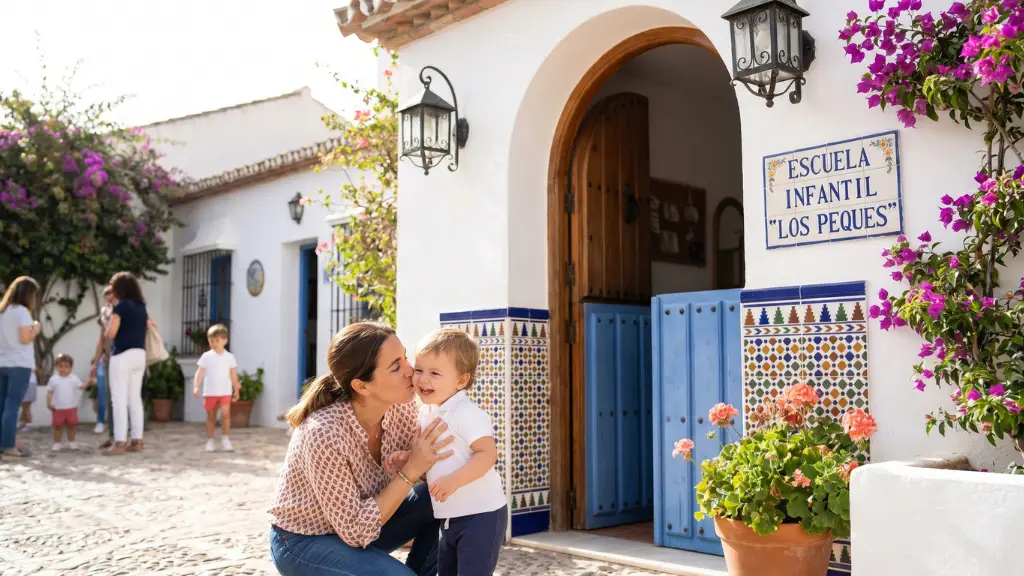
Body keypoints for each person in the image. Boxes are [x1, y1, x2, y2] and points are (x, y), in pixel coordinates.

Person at [268, 322, 455, 576]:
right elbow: (355, 530)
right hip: (303, 541)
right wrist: (410, 470)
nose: (411, 371)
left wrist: (422, 464)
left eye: (405, 358)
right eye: (395, 367)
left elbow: (425, 470)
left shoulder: (401, 408)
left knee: (445, 497)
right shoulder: (323, 432)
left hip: (365, 527)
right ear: (361, 386)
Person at [394, 328, 507, 576]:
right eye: (420, 369)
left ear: (461, 381)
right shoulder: (427, 413)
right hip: (449, 517)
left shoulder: (466, 413)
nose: (423, 379)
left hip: (482, 514)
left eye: (435, 373)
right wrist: (406, 459)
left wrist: (454, 480)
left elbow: (487, 455)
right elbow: (434, 457)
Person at [103, 272, 153, 456]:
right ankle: (137, 440)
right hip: (139, 354)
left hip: (122, 355)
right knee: (134, 399)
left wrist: (107, 319)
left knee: (118, 399)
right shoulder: (142, 307)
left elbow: (111, 334)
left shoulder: (121, 307)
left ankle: (119, 442)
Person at [0, 276, 41, 458]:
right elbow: (25, 338)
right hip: (19, 364)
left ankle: (4, 444)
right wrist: (36, 329)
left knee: (2, 405)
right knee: (12, 405)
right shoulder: (22, 312)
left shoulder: (2, 311)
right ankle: (9, 446)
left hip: (2, 362)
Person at [193, 323, 240, 452]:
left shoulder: (229, 357)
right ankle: (210, 440)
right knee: (211, 417)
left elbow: (233, 374)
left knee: (225, 414)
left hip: (225, 391)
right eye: (211, 340)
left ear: (225, 340)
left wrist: (236, 389)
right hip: (210, 392)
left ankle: (225, 439)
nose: (214, 343)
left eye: (217, 340)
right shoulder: (206, 357)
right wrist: (196, 386)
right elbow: (199, 372)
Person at [89, 285, 115, 436]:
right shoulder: (104, 314)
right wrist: (95, 362)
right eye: (106, 296)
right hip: (105, 359)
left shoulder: (121, 311)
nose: (109, 298)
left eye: (111, 295)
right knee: (102, 392)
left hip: (119, 358)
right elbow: (101, 339)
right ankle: (100, 421)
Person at [46, 353, 86, 452]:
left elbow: (81, 387)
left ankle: (72, 442)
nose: (63, 369)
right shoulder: (53, 379)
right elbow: (49, 392)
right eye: (60, 366)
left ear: (71, 367)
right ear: (56, 367)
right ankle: (57, 443)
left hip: (71, 407)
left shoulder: (74, 378)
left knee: (71, 426)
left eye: (66, 366)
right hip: (58, 408)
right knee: (57, 426)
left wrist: (89, 382)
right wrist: (49, 402)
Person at [18, 366, 41, 433]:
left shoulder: (28, 362)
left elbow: (37, 370)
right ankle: (22, 423)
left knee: (26, 407)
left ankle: (28, 425)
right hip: (27, 384)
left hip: (29, 384)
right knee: (24, 406)